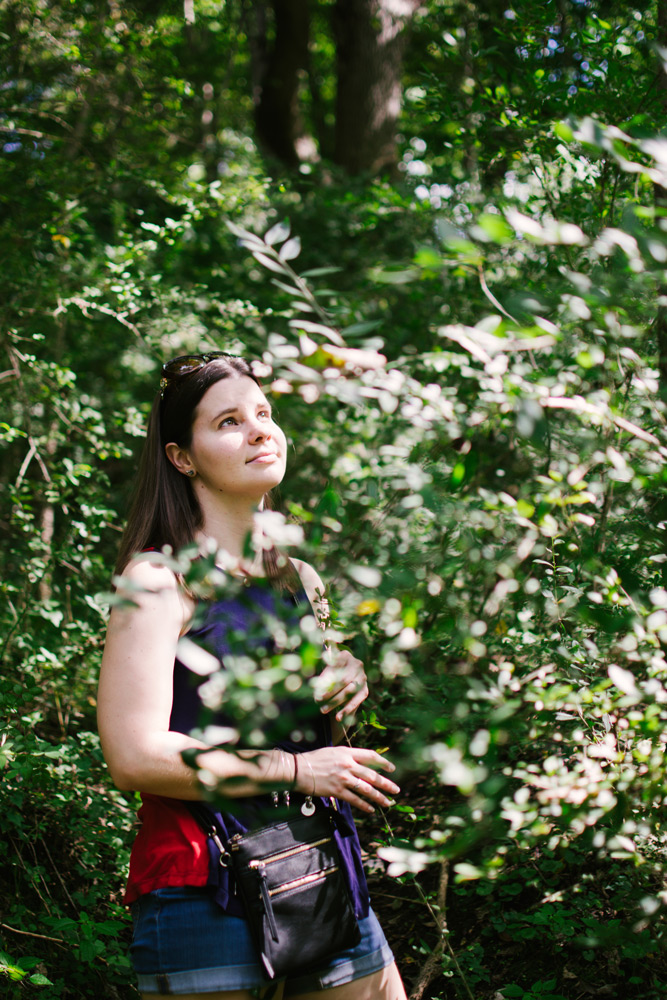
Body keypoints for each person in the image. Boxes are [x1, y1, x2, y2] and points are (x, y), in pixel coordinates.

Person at [97, 352, 408, 1000]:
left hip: (319, 866)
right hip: (202, 893)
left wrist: (344, 679)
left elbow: (314, 737)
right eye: (230, 421)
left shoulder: (299, 579)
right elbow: (133, 757)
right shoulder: (157, 582)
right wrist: (294, 770)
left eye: (263, 414)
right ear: (183, 457)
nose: (260, 431)